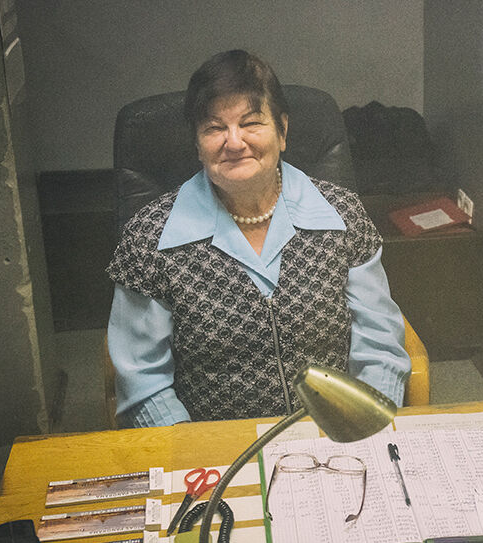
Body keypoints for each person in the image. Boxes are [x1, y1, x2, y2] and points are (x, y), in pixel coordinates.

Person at [106, 50, 410, 427]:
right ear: (197, 143)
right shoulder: (149, 238)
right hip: (213, 445)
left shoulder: (342, 215)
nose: (234, 142)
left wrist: (365, 426)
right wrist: (191, 450)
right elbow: (144, 383)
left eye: (251, 123)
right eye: (214, 128)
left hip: (333, 434)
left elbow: (380, 347)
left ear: (282, 131)